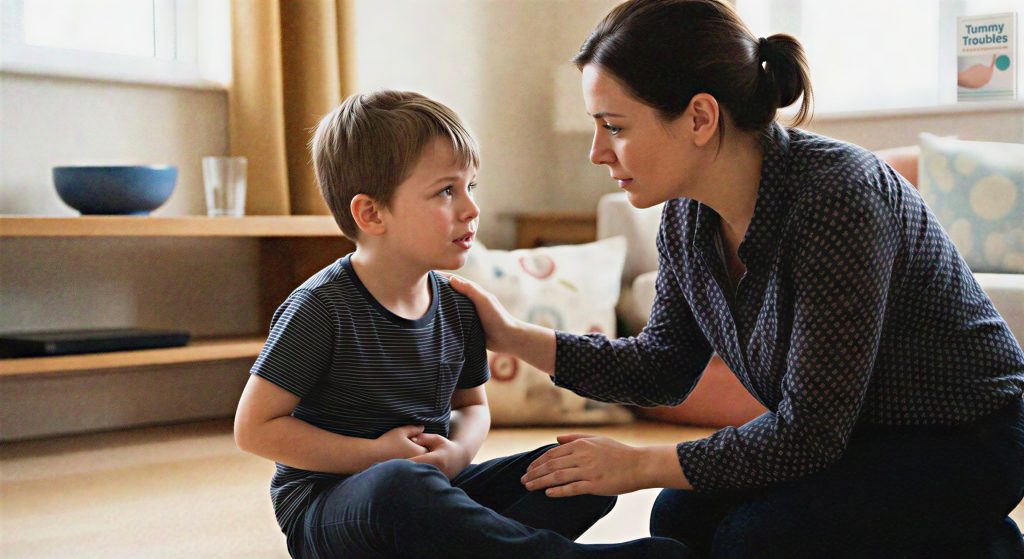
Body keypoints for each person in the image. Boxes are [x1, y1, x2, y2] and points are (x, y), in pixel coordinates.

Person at [448, 1, 1024, 557]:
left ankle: (984, 545)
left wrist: (639, 463)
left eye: (614, 126)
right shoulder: (686, 215)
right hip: (853, 438)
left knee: (755, 540)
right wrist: (513, 336)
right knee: (678, 515)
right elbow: (665, 367)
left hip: (966, 437)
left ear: (700, 117)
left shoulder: (838, 198)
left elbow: (809, 432)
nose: (598, 152)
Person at [233, 90, 688, 559]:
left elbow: (473, 407)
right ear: (371, 213)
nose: (470, 208)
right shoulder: (320, 307)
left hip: (433, 487)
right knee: (400, 485)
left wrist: (457, 455)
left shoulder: (457, 303)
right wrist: (373, 455)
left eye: (471, 187)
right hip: (334, 509)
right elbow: (255, 429)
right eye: (446, 191)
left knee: (579, 471)